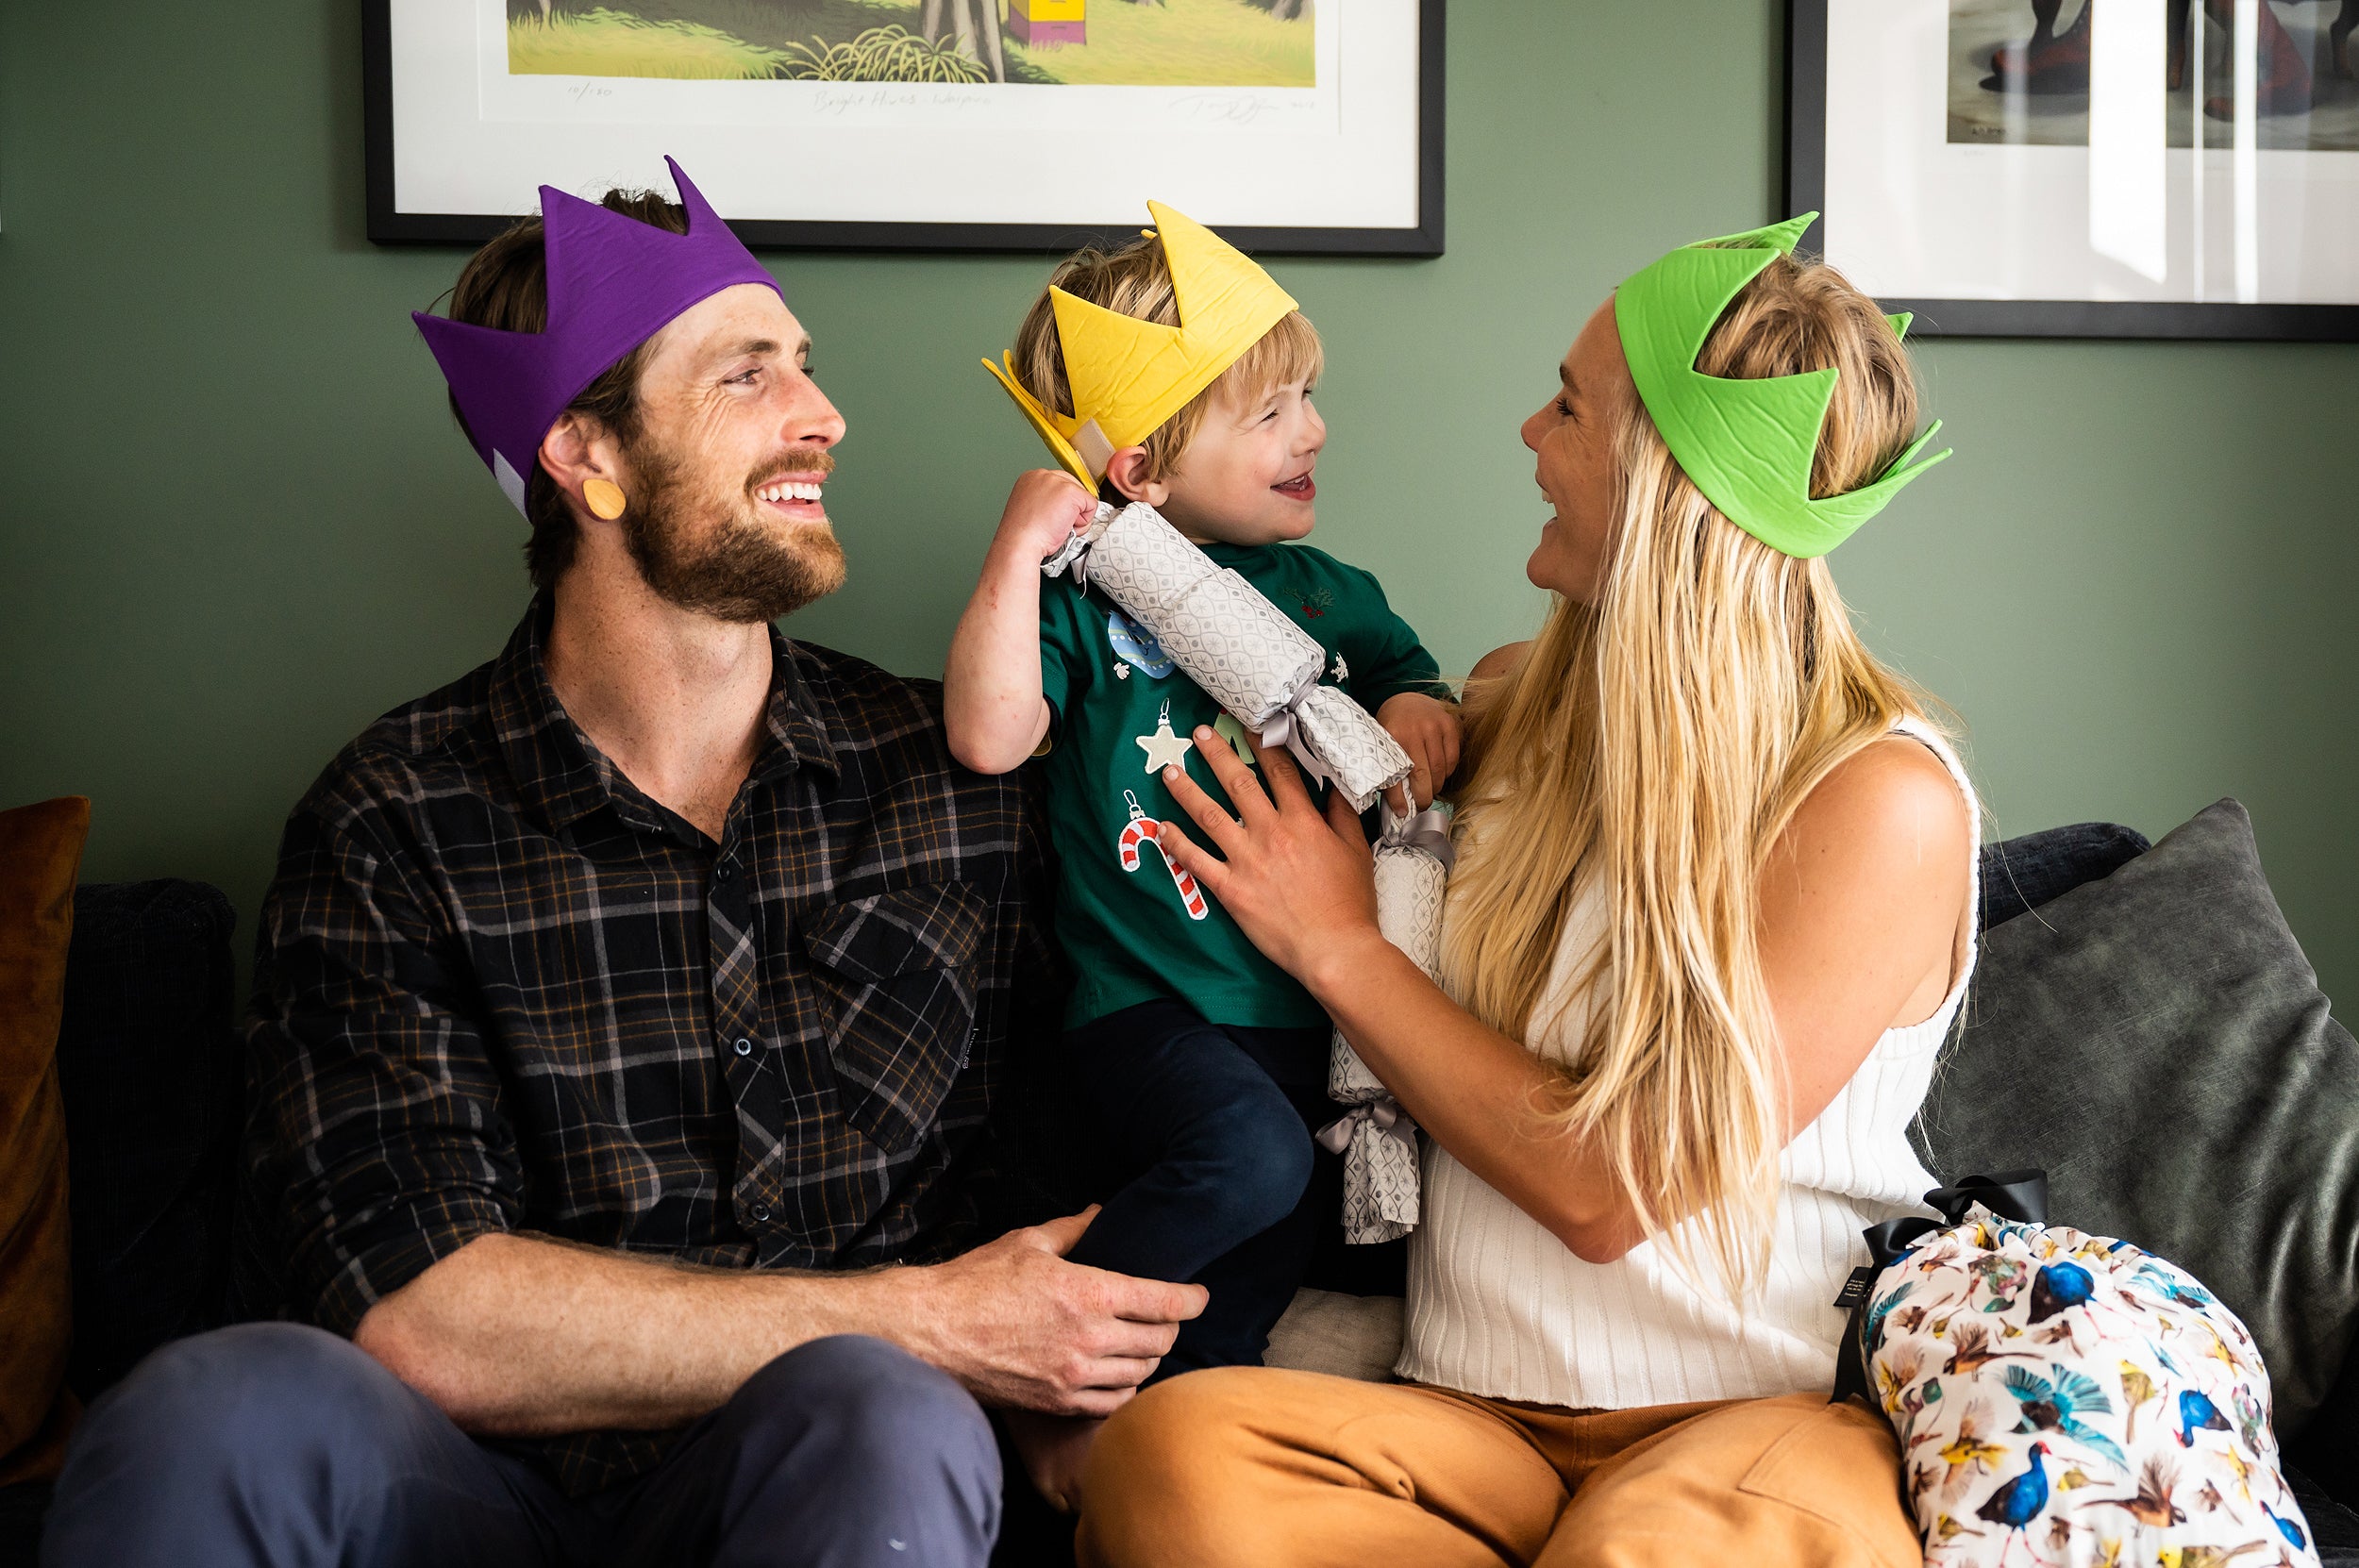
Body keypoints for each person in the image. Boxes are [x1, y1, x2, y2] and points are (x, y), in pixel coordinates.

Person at [37, 158, 1203, 1568]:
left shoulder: (951, 786)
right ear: (586, 455)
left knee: (885, 1409)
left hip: (835, 1475)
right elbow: (423, 1311)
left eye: (805, 366)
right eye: (745, 377)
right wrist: (925, 1314)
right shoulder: (394, 820)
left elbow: (1080, 1155)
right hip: (470, 1499)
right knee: (211, 1408)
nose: (823, 415)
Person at [1074, 215, 1975, 1568]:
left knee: (1648, 1551)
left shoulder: (1877, 801)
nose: (1526, 434)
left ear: (1668, 479)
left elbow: (1610, 1193)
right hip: (1469, 1424)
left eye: (1568, 405)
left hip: (1747, 1421)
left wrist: (1337, 945)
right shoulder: (1504, 710)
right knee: (1170, 1459)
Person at [942, 206, 1460, 1502]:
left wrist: (1415, 717)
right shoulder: (1082, 593)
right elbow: (992, 734)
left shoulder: (1332, 593)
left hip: (1311, 1014)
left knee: (1253, 1278)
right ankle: (1027, 1347)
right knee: (1251, 1162)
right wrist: (1019, 547)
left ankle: (1153, 1469)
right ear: (1141, 473)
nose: (1315, 430)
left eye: (1308, 398)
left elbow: (1419, 688)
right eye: (1273, 410)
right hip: (1149, 1006)